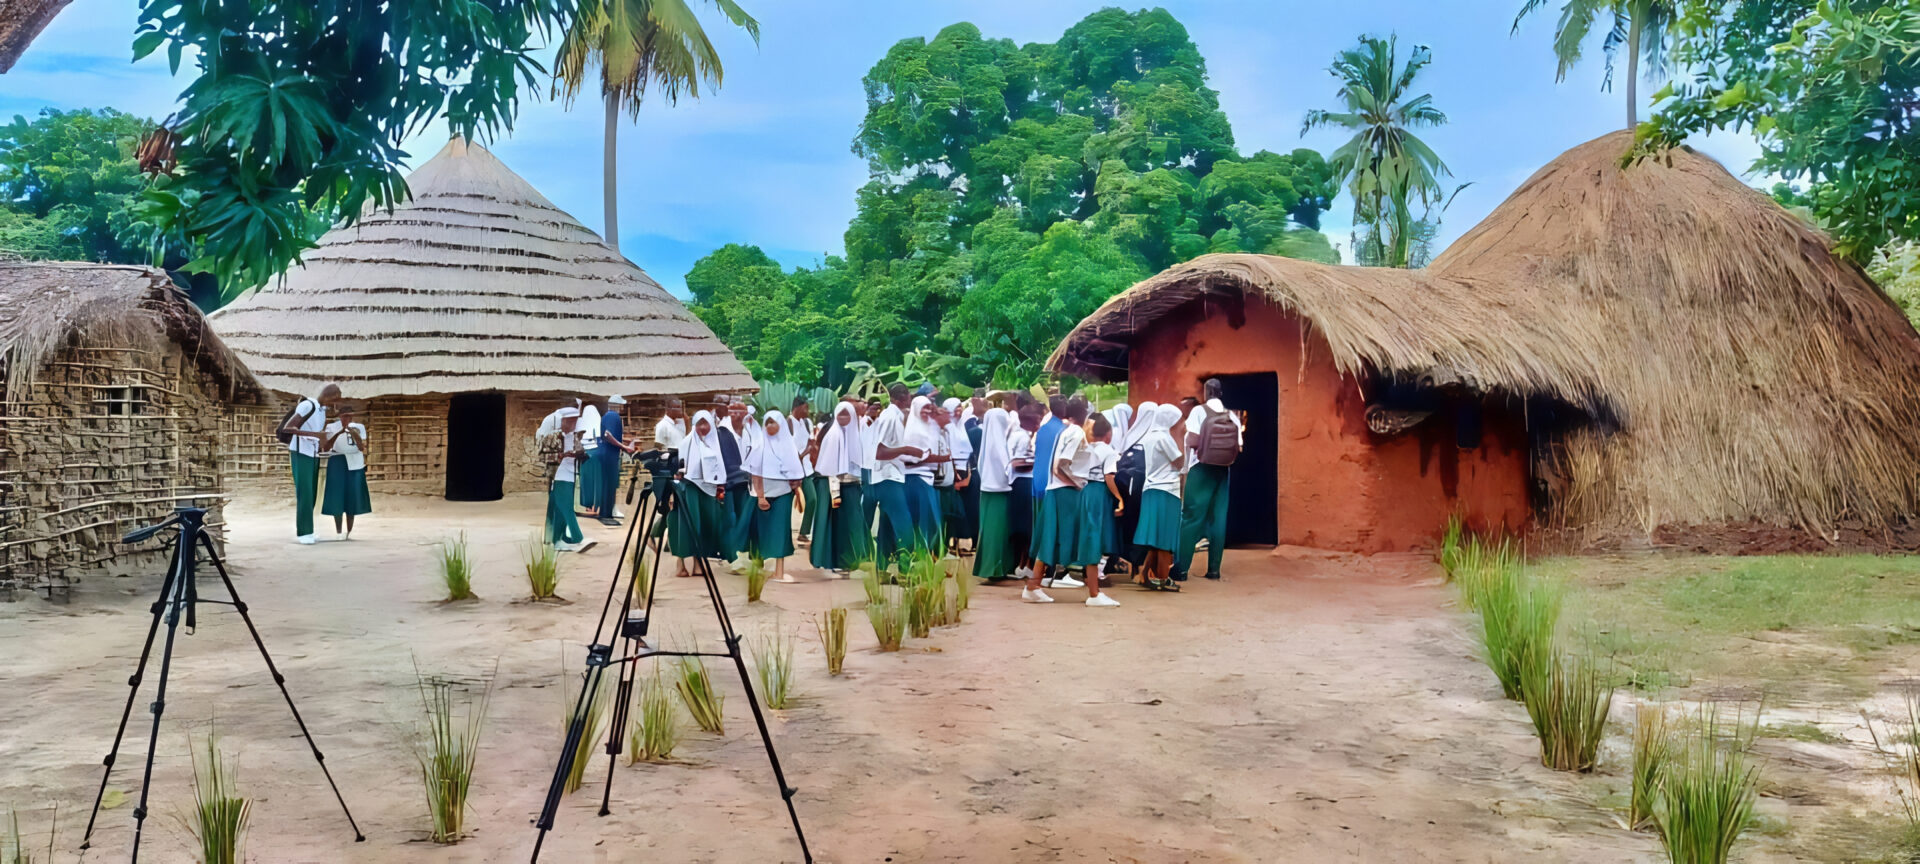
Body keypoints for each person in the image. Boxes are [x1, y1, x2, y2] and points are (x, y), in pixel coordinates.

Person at [1177, 378, 1244, 581]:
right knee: (1218, 519)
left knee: (1191, 517)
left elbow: (1193, 440)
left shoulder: (1199, 412)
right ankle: (1214, 570)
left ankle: (1180, 569)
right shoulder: (1232, 415)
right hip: (1223, 471)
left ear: (1206, 393)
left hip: (1201, 469)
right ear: (1221, 393)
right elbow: (1239, 447)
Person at [868, 384, 926, 569]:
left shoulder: (895, 416)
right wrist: (908, 450)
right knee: (904, 526)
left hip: (892, 475)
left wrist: (907, 457)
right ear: (902, 398)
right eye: (909, 397)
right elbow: (879, 451)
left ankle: (882, 567)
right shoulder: (890, 417)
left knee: (886, 526)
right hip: (888, 478)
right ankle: (904, 569)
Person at [278, 382, 343, 544]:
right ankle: (304, 532)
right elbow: (289, 427)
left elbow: (317, 435)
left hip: (312, 454)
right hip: (301, 453)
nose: (334, 404)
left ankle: (309, 530)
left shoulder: (321, 411)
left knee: (313, 492)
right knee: (305, 493)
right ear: (328, 396)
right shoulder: (308, 405)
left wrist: (322, 442)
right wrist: (316, 434)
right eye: (334, 400)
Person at [809, 402, 870, 573]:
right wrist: (835, 493)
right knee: (838, 526)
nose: (843, 418)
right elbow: (830, 468)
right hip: (835, 487)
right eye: (840, 414)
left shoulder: (854, 435)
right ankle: (838, 561)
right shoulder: (833, 435)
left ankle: (853, 560)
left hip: (853, 486)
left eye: (847, 415)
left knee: (853, 524)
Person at [749, 410, 806, 582]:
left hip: (783, 494)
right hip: (763, 494)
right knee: (759, 530)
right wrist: (760, 496)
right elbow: (755, 474)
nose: (769, 426)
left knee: (781, 531)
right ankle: (758, 566)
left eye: (773, 422)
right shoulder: (759, 446)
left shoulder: (789, 446)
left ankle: (779, 571)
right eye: (767, 423)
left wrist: (796, 487)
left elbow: (796, 472)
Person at [1134, 403, 1186, 591]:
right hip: (1167, 490)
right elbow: (1180, 463)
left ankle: (1144, 575)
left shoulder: (1149, 436)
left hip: (1150, 489)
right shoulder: (1165, 438)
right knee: (1165, 539)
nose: (1181, 423)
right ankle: (1162, 579)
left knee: (1156, 538)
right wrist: (1180, 438)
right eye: (1179, 420)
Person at [671, 410, 730, 567]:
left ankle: (699, 562)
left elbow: (720, 468)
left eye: (706, 423)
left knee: (706, 524)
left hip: (709, 490)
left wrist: (720, 486)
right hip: (690, 488)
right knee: (689, 523)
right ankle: (681, 562)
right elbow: (680, 469)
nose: (703, 427)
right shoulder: (686, 443)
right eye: (699, 424)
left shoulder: (715, 443)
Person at [1114, 401, 1158, 581]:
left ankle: (1130, 563)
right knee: (1143, 524)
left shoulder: (1130, 436)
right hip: (1144, 489)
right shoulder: (1154, 437)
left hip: (1127, 489)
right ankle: (1140, 565)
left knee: (1129, 524)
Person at [1076, 413, 1123, 587]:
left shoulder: (1086, 448)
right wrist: (1119, 498)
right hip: (1100, 492)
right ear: (1108, 434)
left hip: (1084, 490)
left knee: (1088, 529)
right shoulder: (1109, 451)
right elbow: (1109, 477)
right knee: (1102, 531)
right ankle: (1098, 572)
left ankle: (1087, 569)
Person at [971, 405, 1017, 581]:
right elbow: (1008, 466)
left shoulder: (990, 441)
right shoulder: (998, 443)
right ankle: (992, 569)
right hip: (997, 491)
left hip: (991, 491)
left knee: (997, 531)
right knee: (995, 532)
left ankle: (1000, 567)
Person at [900, 395, 949, 555]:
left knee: (930, 521)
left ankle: (927, 558)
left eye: (929, 407)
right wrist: (932, 458)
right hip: (916, 480)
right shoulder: (913, 432)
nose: (927, 411)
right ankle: (918, 557)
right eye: (924, 408)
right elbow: (908, 459)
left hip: (928, 479)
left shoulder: (928, 428)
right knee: (923, 521)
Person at [543, 407, 593, 552]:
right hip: (559, 474)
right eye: (570, 421)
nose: (573, 424)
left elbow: (582, 453)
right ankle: (578, 538)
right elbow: (543, 456)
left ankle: (558, 538)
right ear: (563, 421)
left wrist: (581, 455)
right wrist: (562, 456)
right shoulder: (553, 437)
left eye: (575, 421)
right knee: (566, 507)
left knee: (559, 508)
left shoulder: (576, 436)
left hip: (572, 473)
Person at [320, 409, 371, 539]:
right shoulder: (331, 427)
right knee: (337, 495)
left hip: (354, 463)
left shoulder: (358, 427)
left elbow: (361, 447)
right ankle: (338, 531)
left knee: (352, 495)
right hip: (337, 461)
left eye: (349, 416)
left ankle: (349, 532)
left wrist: (354, 434)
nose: (346, 419)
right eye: (344, 416)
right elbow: (326, 447)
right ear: (339, 416)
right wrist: (338, 433)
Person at [716, 399, 756, 563]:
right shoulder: (722, 432)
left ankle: (744, 552)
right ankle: (729, 554)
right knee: (729, 519)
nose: (739, 415)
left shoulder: (750, 431)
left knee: (745, 518)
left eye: (742, 412)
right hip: (727, 482)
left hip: (746, 481)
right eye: (735, 411)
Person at [1008, 401, 1041, 580]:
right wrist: (1039, 462)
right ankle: (1023, 564)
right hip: (1023, 483)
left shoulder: (1020, 435)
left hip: (1020, 483)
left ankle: (1023, 563)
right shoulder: (1022, 437)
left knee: (1024, 526)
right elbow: (1017, 463)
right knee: (1027, 526)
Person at [589, 395, 635, 523]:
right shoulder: (613, 416)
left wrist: (623, 442)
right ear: (617, 405)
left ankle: (606, 512)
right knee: (609, 483)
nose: (622, 407)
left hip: (606, 453)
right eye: (621, 405)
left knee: (608, 483)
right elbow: (607, 435)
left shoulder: (607, 416)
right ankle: (606, 513)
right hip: (609, 454)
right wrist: (624, 447)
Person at [576, 398, 603, 516]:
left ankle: (588, 505)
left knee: (586, 481)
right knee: (597, 481)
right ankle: (596, 505)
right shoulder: (599, 422)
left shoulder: (581, 422)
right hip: (596, 454)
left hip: (585, 455)